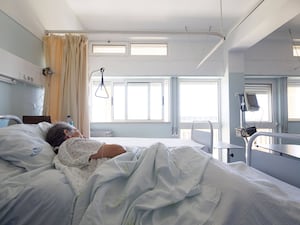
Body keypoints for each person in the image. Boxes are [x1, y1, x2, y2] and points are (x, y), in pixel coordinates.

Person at [46, 122, 126, 167]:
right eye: (76, 130)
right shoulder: (73, 143)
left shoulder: (62, 151)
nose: (82, 135)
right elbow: (120, 150)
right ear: (67, 133)